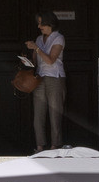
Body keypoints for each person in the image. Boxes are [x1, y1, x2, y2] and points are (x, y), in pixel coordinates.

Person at [21, 10, 66, 151]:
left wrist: (37, 48)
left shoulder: (58, 38)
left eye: (41, 23)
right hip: (40, 78)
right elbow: (37, 61)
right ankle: (40, 146)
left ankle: (55, 145)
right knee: (38, 113)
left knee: (55, 112)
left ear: (49, 23)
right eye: (39, 24)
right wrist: (27, 58)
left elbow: (51, 60)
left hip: (55, 78)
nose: (39, 27)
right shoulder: (39, 39)